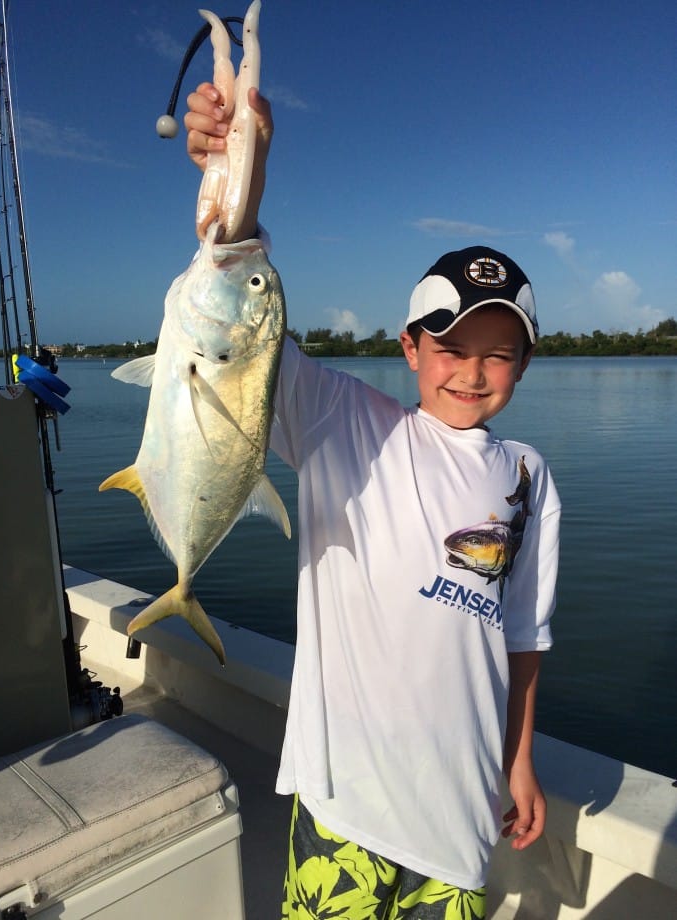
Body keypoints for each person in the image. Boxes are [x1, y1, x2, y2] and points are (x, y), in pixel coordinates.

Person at [185, 83, 560, 920]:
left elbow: (523, 636)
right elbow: (237, 314)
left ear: (526, 364)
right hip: (344, 805)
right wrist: (236, 169)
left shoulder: (530, 477)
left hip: (462, 818)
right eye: (451, 345)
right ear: (409, 345)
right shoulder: (337, 418)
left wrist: (519, 760)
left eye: (499, 354)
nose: (471, 370)